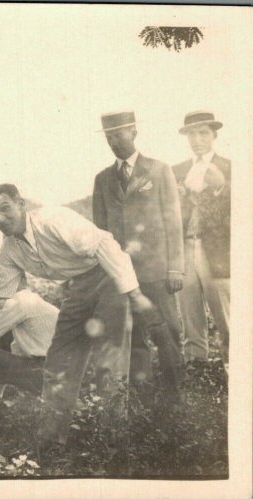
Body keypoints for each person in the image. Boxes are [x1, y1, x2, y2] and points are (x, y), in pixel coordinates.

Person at [0, 183, 156, 456]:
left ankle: (114, 443)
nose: (0, 219)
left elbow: (105, 246)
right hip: (76, 287)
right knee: (58, 363)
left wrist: (133, 294)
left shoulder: (53, 219)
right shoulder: (8, 251)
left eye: (6, 209)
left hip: (108, 276)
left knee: (109, 364)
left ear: (21, 203)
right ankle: (52, 443)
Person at [92, 111, 185, 390]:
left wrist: (175, 266)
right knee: (132, 337)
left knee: (167, 331)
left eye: (118, 134)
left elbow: (174, 221)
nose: (113, 141)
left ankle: (175, 397)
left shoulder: (159, 169)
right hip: (121, 273)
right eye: (109, 136)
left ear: (133, 131)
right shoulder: (103, 179)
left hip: (157, 270)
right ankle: (143, 399)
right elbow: (100, 231)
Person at [171, 111, 231, 368]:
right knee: (190, 312)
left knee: (226, 315)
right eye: (192, 133)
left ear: (214, 135)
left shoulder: (230, 168)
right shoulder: (176, 171)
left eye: (203, 132)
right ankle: (197, 369)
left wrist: (220, 188)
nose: (197, 139)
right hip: (184, 247)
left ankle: (236, 369)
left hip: (216, 251)